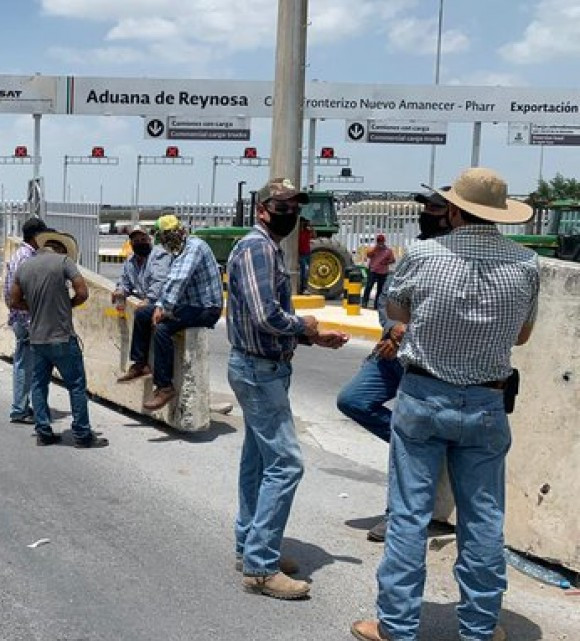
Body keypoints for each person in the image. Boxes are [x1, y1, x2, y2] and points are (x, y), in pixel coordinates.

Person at [352, 168, 539, 641]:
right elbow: (522, 334)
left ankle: (395, 625)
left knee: (409, 516)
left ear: (454, 210)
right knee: (483, 521)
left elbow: (396, 311)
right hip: (487, 404)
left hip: (424, 396)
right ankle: (479, 627)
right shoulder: (526, 263)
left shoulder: (424, 255)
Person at [226, 177, 349, 600]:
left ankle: (250, 546)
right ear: (263, 208)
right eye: (283, 205)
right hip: (259, 371)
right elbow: (265, 316)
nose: (291, 212)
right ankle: (261, 565)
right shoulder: (258, 247)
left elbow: (266, 318)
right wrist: (305, 325)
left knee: (259, 462)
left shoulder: (264, 247)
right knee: (286, 463)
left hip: (260, 367)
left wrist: (312, 336)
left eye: (296, 205)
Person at [336, 187, 451, 543]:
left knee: (408, 429)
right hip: (392, 350)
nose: (426, 214)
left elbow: (445, 313)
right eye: (426, 208)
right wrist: (393, 328)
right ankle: (421, 448)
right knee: (352, 400)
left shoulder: (456, 254)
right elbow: (387, 299)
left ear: (453, 214)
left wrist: (407, 332)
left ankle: (396, 514)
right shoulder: (415, 250)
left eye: (434, 208)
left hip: (426, 359)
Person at [9, 230, 108, 449]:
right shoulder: (64, 262)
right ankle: (82, 434)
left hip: (37, 339)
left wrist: (34, 307)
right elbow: (82, 293)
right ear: (60, 249)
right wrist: (66, 305)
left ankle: (43, 432)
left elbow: (13, 301)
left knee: (38, 385)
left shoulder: (24, 267)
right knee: (76, 385)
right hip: (62, 337)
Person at [140, 215, 223, 411]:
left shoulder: (194, 247)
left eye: (166, 237)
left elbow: (178, 279)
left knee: (162, 329)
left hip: (206, 308)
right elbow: (169, 281)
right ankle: (139, 363)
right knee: (143, 314)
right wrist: (158, 305)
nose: (165, 243)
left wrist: (163, 308)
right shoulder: (180, 251)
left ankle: (164, 387)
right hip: (190, 305)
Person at [4, 216, 51, 425]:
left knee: (24, 362)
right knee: (25, 364)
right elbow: (24, 292)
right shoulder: (28, 258)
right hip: (27, 318)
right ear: (36, 237)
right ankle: (19, 409)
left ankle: (23, 405)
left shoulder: (19, 255)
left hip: (19, 317)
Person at [114, 224, 173, 385]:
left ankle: (140, 363)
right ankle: (140, 364)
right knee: (139, 312)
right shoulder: (130, 260)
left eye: (143, 239)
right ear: (131, 243)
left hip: (163, 302)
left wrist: (148, 300)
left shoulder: (159, 256)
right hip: (146, 301)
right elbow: (125, 282)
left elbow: (159, 282)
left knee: (142, 313)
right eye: (136, 240)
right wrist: (120, 291)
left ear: (149, 239)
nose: (140, 242)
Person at [363, 234, 396, 309]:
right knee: (369, 286)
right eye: (379, 241)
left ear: (384, 241)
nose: (380, 243)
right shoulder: (373, 249)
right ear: (377, 241)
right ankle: (364, 302)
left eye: (381, 241)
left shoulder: (388, 251)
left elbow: (393, 260)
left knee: (380, 289)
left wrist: (386, 262)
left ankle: (376, 304)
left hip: (383, 272)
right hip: (373, 270)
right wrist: (375, 249)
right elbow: (368, 255)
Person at [297, 217, 314, 294]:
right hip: (301, 254)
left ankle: (305, 287)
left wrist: (311, 226)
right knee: (304, 271)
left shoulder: (307, 231)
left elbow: (314, 235)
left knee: (306, 271)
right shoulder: (297, 233)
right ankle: (303, 288)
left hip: (307, 253)